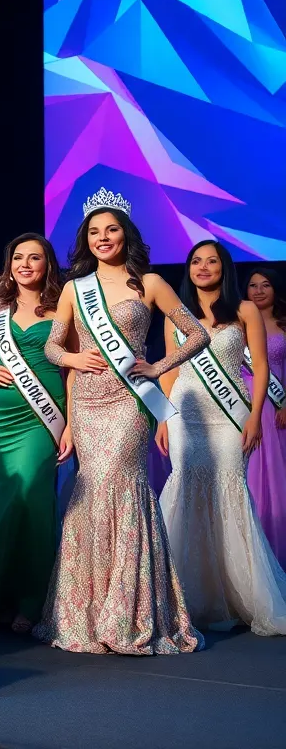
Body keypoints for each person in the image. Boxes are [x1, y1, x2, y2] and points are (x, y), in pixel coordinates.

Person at [34, 187, 208, 655]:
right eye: (94, 231)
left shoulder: (148, 283)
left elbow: (197, 333)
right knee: (91, 491)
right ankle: (87, 613)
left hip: (131, 403)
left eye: (111, 229)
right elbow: (52, 347)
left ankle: (129, 612)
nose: (102, 237)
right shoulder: (73, 289)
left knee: (122, 487)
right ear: (85, 239)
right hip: (88, 404)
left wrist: (158, 366)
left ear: (125, 233)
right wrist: (72, 356)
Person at [157, 241, 286, 634]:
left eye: (212, 261)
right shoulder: (175, 315)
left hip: (231, 413)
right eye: (196, 261)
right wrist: (163, 418)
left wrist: (255, 417)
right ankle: (178, 594)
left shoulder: (244, 310)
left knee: (229, 491)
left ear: (223, 268)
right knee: (186, 488)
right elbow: (168, 370)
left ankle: (237, 593)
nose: (203, 267)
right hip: (185, 412)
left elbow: (260, 367)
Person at [0, 233, 70, 632]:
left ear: (47, 265)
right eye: (17, 258)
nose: (24, 264)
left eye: (34, 258)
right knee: (5, 502)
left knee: (33, 499)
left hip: (45, 413)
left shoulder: (62, 307)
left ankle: (31, 601)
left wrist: (70, 422)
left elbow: (69, 369)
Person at [244, 268, 286, 565]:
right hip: (240, 405)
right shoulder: (237, 323)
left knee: (275, 473)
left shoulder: (284, 325)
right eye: (252, 285)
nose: (258, 291)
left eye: (265, 285)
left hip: (277, 409)